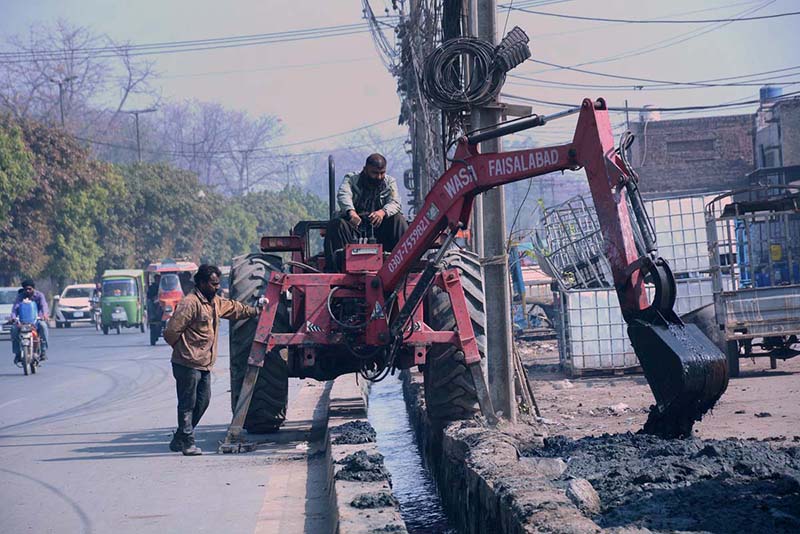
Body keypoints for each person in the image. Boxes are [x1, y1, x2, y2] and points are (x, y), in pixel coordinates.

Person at [163, 264, 267, 456]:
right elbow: (170, 332)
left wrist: (255, 311)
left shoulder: (215, 302)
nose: (217, 287)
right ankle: (188, 442)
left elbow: (235, 309)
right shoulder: (189, 303)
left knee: (203, 401)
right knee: (188, 403)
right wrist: (184, 351)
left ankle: (180, 437)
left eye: (218, 284)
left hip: (204, 364)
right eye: (213, 284)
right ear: (201, 283)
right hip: (186, 363)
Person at [324, 153, 409, 271]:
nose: (379, 177)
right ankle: (338, 269)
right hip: (355, 228)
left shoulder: (390, 182)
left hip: (379, 228)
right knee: (336, 225)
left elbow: (395, 202)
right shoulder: (351, 179)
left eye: (382, 173)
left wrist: (382, 212)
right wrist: (351, 212)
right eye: (375, 173)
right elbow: (343, 194)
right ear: (365, 170)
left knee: (398, 219)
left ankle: (404, 266)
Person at [10, 280, 50, 363]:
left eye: (29, 289)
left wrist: (45, 315)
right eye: (25, 289)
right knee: (13, 329)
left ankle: (43, 351)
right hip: (23, 322)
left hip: (36, 320)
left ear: (33, 288)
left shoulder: (39, 295)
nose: (27, 291)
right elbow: (15, 308)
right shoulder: (20, 296)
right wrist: (13, 317)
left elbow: (44, 306)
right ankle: (17, 354)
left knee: (43, 326)